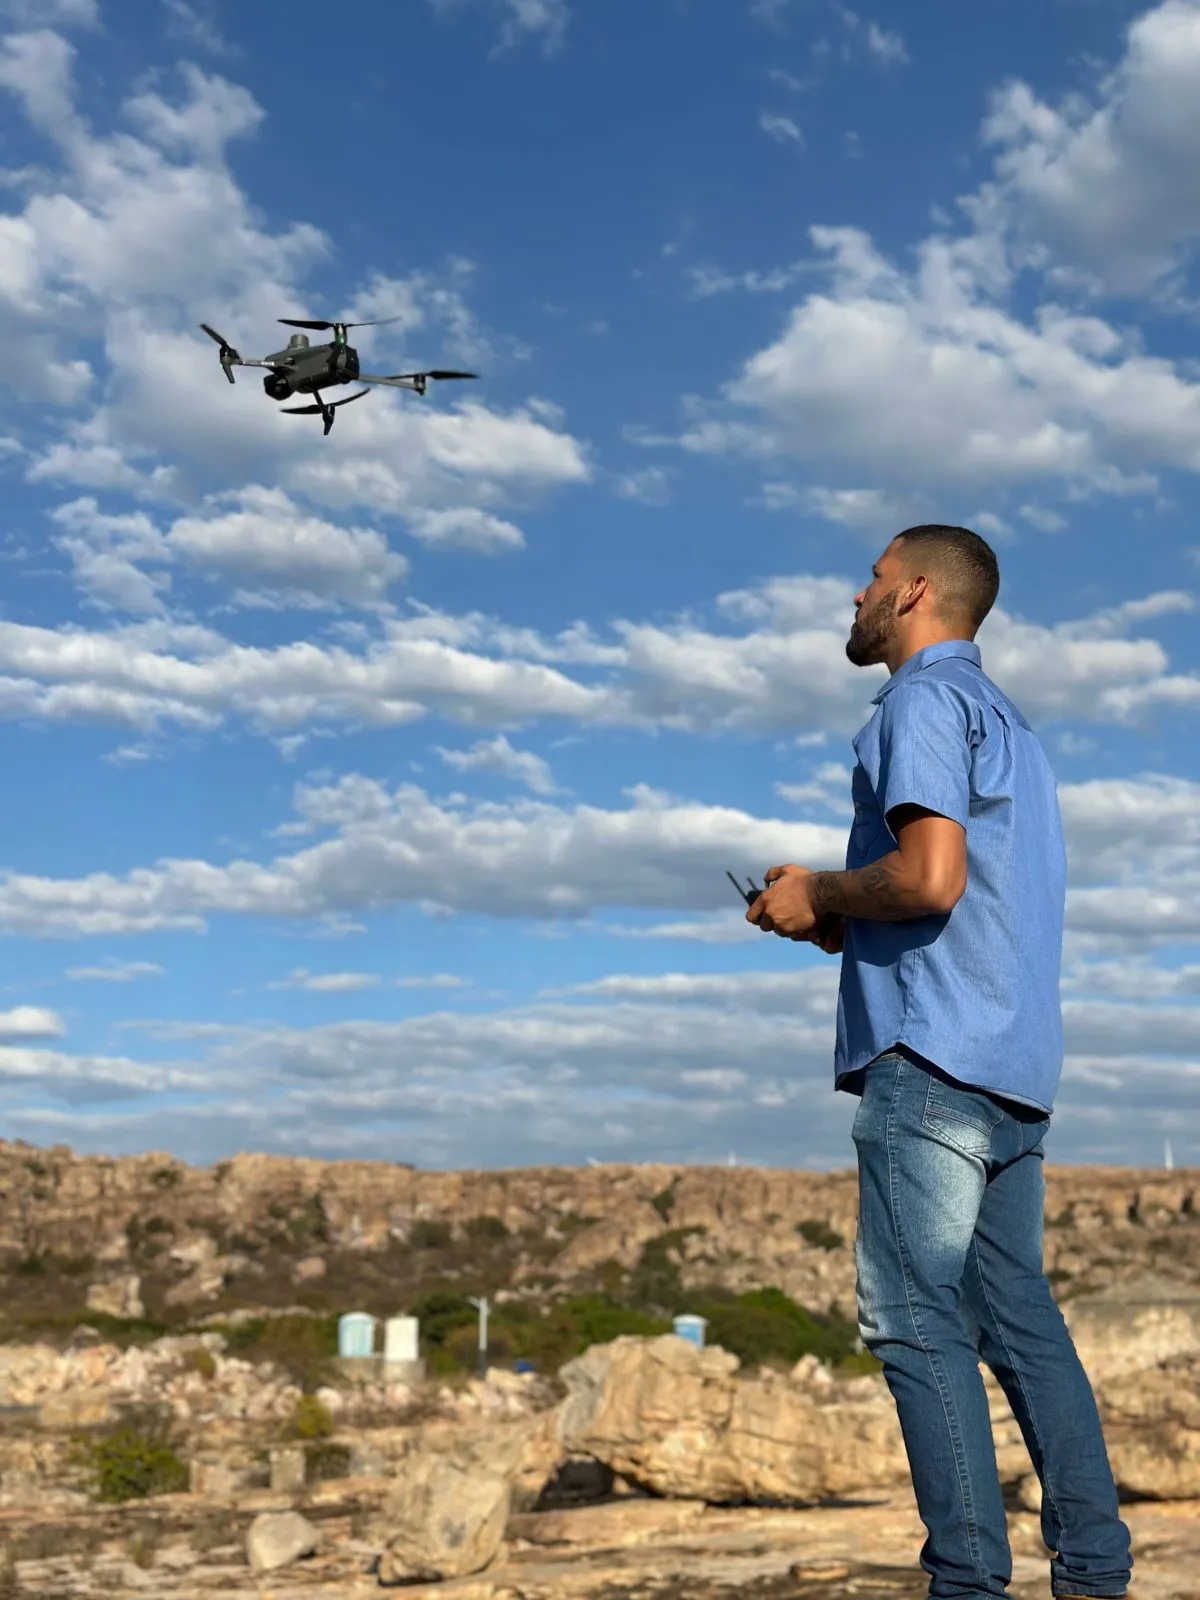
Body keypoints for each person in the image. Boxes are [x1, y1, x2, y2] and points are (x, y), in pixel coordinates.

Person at [746, 525, 1133, 1600]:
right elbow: (961, 894)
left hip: (930, 1064)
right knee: (1019, 1321)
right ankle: (1098, 1576)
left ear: (915, 590)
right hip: (1011, 1067)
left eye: (871, 578)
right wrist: (828, 920)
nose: (856, 593)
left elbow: (928, 880)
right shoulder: (1011, 725)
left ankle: (968, 1584)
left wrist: (823, 888)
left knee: (912, 1319)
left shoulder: (920, 702)